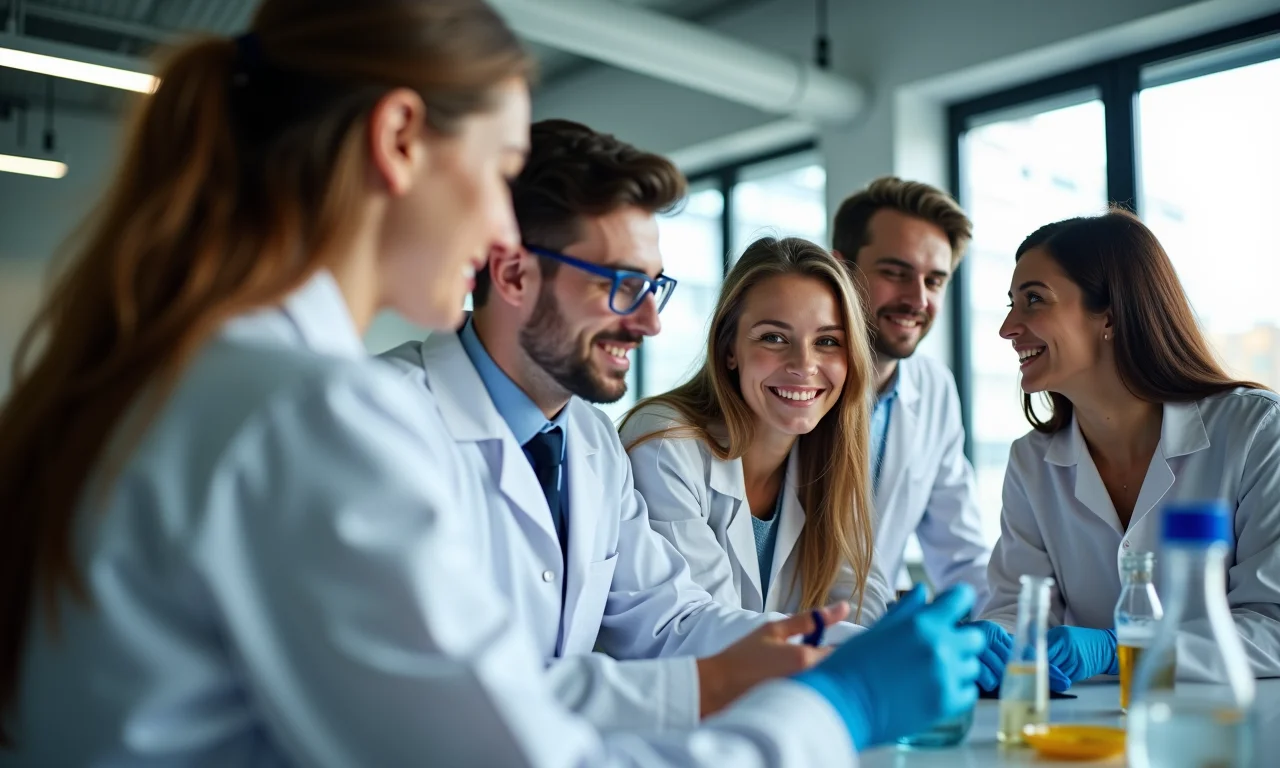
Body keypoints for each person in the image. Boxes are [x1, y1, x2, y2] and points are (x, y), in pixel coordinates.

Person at [0, 2, 986, 764]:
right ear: (397, 141)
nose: (497, 234)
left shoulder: (214, 373)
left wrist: (763, 660)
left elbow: (507, 685)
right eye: (496, 166)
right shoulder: (313, 414)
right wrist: (834, 709)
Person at [380, 120, 865, 731]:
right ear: (511, 275)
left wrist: (853, 649)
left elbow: (669, 620)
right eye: (620, 285)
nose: (648, 323)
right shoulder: (381, 423)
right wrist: (712, 685)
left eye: (652, 287)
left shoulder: (587, 439)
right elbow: (442, 688)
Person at [976, 209, 1280, 688]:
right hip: (1087, 740)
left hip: (1233, 735)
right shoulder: (1031, 462)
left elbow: (1273, 625)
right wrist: (991, 640)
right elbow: (1020, 607)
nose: (1008, 327)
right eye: (1012, 303)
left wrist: (1125, 649)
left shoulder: (1257, 431)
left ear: (1111, 317)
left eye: (1034, 300)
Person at [619, 236, 892, 624]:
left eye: (828, 341)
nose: (804, 364)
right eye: (774, 338)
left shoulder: (832, 456)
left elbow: (860, 606)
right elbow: (705, 626)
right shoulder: (666, 444)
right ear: (729, 348)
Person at [830, 177, 993, 609]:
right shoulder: (795, 385)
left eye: (934, 281)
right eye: (895, 273)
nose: (916, 299)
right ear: (841, 270)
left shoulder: (935, 388)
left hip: (874, 641)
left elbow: (961, 554)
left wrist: (1007, 631)